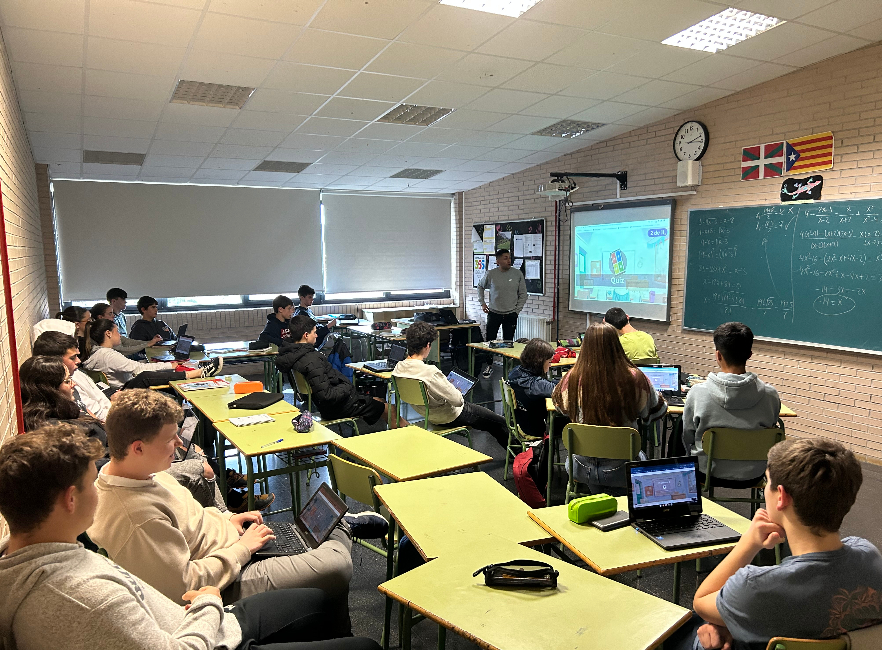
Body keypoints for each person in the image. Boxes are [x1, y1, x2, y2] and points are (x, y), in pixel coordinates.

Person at [0, 424, 383, 650]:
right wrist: (208, 604)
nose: (99, 490)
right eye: (90, 483)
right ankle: (343, 526)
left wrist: (228, 525)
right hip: (208, 625)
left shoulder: (30, 557)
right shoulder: (89, 599)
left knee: (318, 596)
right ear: (70, 500)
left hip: (202, 611)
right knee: (365, 644)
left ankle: (339, 531)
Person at [87, 390, 384, 633]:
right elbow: (183, 587)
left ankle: (334, 617)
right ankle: (342, 526)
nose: (179, 445)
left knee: (312, 550)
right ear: (137, 448)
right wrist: (242, 549)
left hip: (233, 547)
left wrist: (229, 519)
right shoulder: (135, 516)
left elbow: (196, 519)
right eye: (170, 440)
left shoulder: (144, 472)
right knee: (336, 564)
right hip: (226, 582)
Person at [667, 438, 882, 650]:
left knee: (682, 627)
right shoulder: (871, 557)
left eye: (766, 483)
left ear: (781, 496)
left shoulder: (754, 588)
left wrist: (748, 543)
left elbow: (701, 601)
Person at [551, 323, 667, 495]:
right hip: (623, 469)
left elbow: (560, 405)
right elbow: (658, 410)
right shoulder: (635, 378)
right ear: (616, 344)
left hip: (581, 467)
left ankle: (599, 496)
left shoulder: (572, 377)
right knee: (642, 459)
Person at [682, 322, 781, 487]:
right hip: (754, 474)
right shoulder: (771, 395)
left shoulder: (698, 393)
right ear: (749, 355)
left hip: (707, 473)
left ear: (718, 355)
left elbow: (687, 437)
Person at [393, 320, 508, 448]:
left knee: (489, 420)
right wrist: (452, 388)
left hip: (428, 415)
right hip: (449, 415)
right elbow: (458, 401)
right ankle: (522, 457)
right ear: (427, 346)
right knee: (500, 422)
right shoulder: (430, 372)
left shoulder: (398, 368)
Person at [275, 315, 401, 428]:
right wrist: (347, 387)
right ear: (306, 335)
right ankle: (408, 437)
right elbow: (326, 395)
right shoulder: (312, 359)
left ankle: (391, 433)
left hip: (328, 404)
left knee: (381, 401)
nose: (317, 335)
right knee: (391, 409)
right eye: (314, 332)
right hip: (336, 407)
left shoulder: (291, 354)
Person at [82, 319, 221, 389]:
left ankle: (196, 373)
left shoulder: (98, 354)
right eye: (117, 332)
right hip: (130, 392)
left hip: (128, 387)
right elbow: (139, 369)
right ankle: (195, 373)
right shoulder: (108, 356)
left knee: (153, 372)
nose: (119, 335)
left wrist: (166, 365)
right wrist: (169, 365)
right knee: (147, 375)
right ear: (108, 334)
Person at [19, 356, 108, 452]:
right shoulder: (56, 431)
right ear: (50, 389)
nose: (73, 384)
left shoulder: (65, 407)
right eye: (67, 381)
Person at [33, 330, 111, 420]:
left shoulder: (75, 373)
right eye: (72, 357)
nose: (78, 361)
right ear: (54, 362)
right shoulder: (62, 390)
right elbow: (97, 415)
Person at [477, 249, 527, 378]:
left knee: (508, 341)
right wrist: (482, 303)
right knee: (490, 341)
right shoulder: (491, 274)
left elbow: (523, 294)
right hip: (494, 313)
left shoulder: (517, 274)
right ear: (498, 261)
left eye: (509, 257)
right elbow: (480, 286)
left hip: (511, 313)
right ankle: (489, 365)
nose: (508, 260)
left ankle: (508, 368)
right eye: (505, 258)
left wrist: (517, 310)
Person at [507, 338, 561, 438]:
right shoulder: (535, 385)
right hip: (537, 428)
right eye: (549, 362)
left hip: (522, 422)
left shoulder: (516, 371)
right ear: (539, 362)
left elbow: (547, 383)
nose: (550, 365)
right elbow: (558, 390)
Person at [91, 301, 161, 357]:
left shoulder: (110, 328)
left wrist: (150, 342)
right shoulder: (101, 333)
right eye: (110, 314)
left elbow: (127, 341)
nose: (113, 316)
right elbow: (123, 350)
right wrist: (147, 344)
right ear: (100, 317)